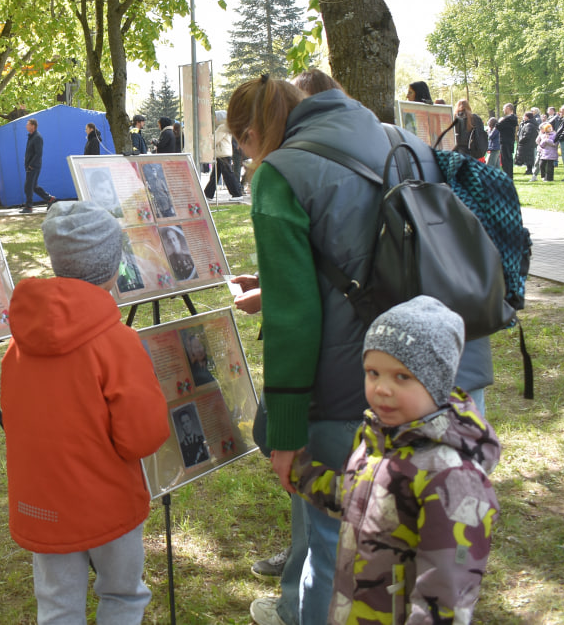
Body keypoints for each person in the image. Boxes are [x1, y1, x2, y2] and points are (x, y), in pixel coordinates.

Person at [226, 77, 494, 625]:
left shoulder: (281, 172)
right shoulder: (402, 138)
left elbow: (295, 320)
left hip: (359, 382)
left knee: (337, 538)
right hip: (442, 365)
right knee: (409, 537)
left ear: (252, 133)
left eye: (243, 145)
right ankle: (291, 607)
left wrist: (285, 432)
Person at [2, 201, 169, 625]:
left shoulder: (19, 345)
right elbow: (142, 436)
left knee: (57, 604)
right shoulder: (118, 342)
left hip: (43, 502)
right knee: (123, 594)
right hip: (108, 502)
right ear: (112, 269)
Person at [288, 297, 500, 625]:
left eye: (402, 377)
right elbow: (353, 495)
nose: (382, 389)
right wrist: (300, 472)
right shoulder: (377, 437)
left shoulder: (453, 477)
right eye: (373, 372)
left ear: (437, 382)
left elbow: (447, 591)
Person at [205, 110, 243, 199]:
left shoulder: (222, 127)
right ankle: (208, 194)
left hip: (223, 154)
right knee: (215, 175)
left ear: (220, 118)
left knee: (227, 174)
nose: (214, 119)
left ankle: (237, 194)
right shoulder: (224, 127)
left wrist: (209, 138)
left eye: (215, 117)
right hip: (222, 153)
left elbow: (215, 140)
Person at [20, 118, 54, 213]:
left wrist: (31, 164)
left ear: (33, 126)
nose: (26, 126)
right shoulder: (31, 136)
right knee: (33, 186)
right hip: (30, 165)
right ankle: (50, 199)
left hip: (34, 166)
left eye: (28, 124)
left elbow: (38, 153)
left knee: (28, 186)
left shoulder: (37, 137)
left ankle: (29, 207)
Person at [515, 108, 540, 176]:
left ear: (527, 117)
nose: (523, 117)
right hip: (529, 143)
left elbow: (527, 134)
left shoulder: (529, 125)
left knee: (528, 157)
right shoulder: (529, 124)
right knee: (529, 157)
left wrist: (521, 140)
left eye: (524, 116)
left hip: (527, 144)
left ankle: (529, 170)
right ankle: (528, 169)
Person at [497, 102, 518, 178]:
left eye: (504, 108)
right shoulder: (513, 118)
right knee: (508, 159)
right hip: (509, 141)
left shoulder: (508, 119)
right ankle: (509, 175)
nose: (503, 110)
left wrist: (500, 121)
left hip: (505, 141)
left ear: (508, 108)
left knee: (505, 159)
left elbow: (498, 126)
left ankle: (507, 176)